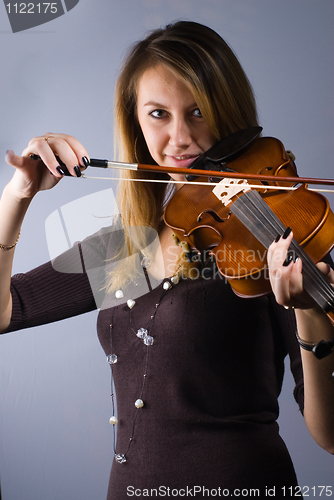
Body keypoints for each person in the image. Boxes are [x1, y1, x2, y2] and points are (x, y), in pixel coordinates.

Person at [1, 21, 334, 499]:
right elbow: (5, 309)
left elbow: (329, 436)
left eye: (198, 112)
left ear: (228, 113)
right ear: (135, 122)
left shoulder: (268, 239)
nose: (179, 137)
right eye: (158, 114)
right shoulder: (126, 246)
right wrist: (19, 194)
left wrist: (308, 310)